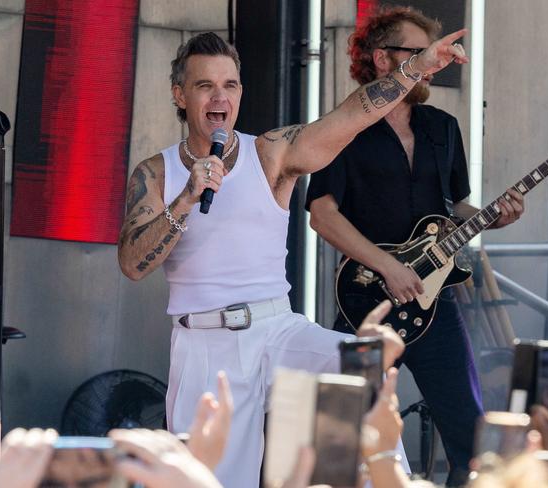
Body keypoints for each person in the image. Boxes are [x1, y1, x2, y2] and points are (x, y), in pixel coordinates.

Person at [117, 28, 467, 488]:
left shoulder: (270, 153)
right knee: (211, 480)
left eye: (230, 85)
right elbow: (132, 264)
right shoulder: (157, 172)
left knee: (356, 367)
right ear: (180, 95)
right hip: (203, 344)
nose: (219, 96)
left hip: (275, 328)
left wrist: (416, 67)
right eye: (205, 86)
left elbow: (350, 117)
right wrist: (185, 198)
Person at [305, 6, 523, 486]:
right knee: (338, 435)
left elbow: (455, 208)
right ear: (383, 60)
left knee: (472, 440)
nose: (436, 62)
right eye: (422, 54)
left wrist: (496, 216)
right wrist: (388, 266)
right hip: (366, 301)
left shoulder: (442, 127)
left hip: (435, 302)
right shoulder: (345, 127)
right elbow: (321, 214)